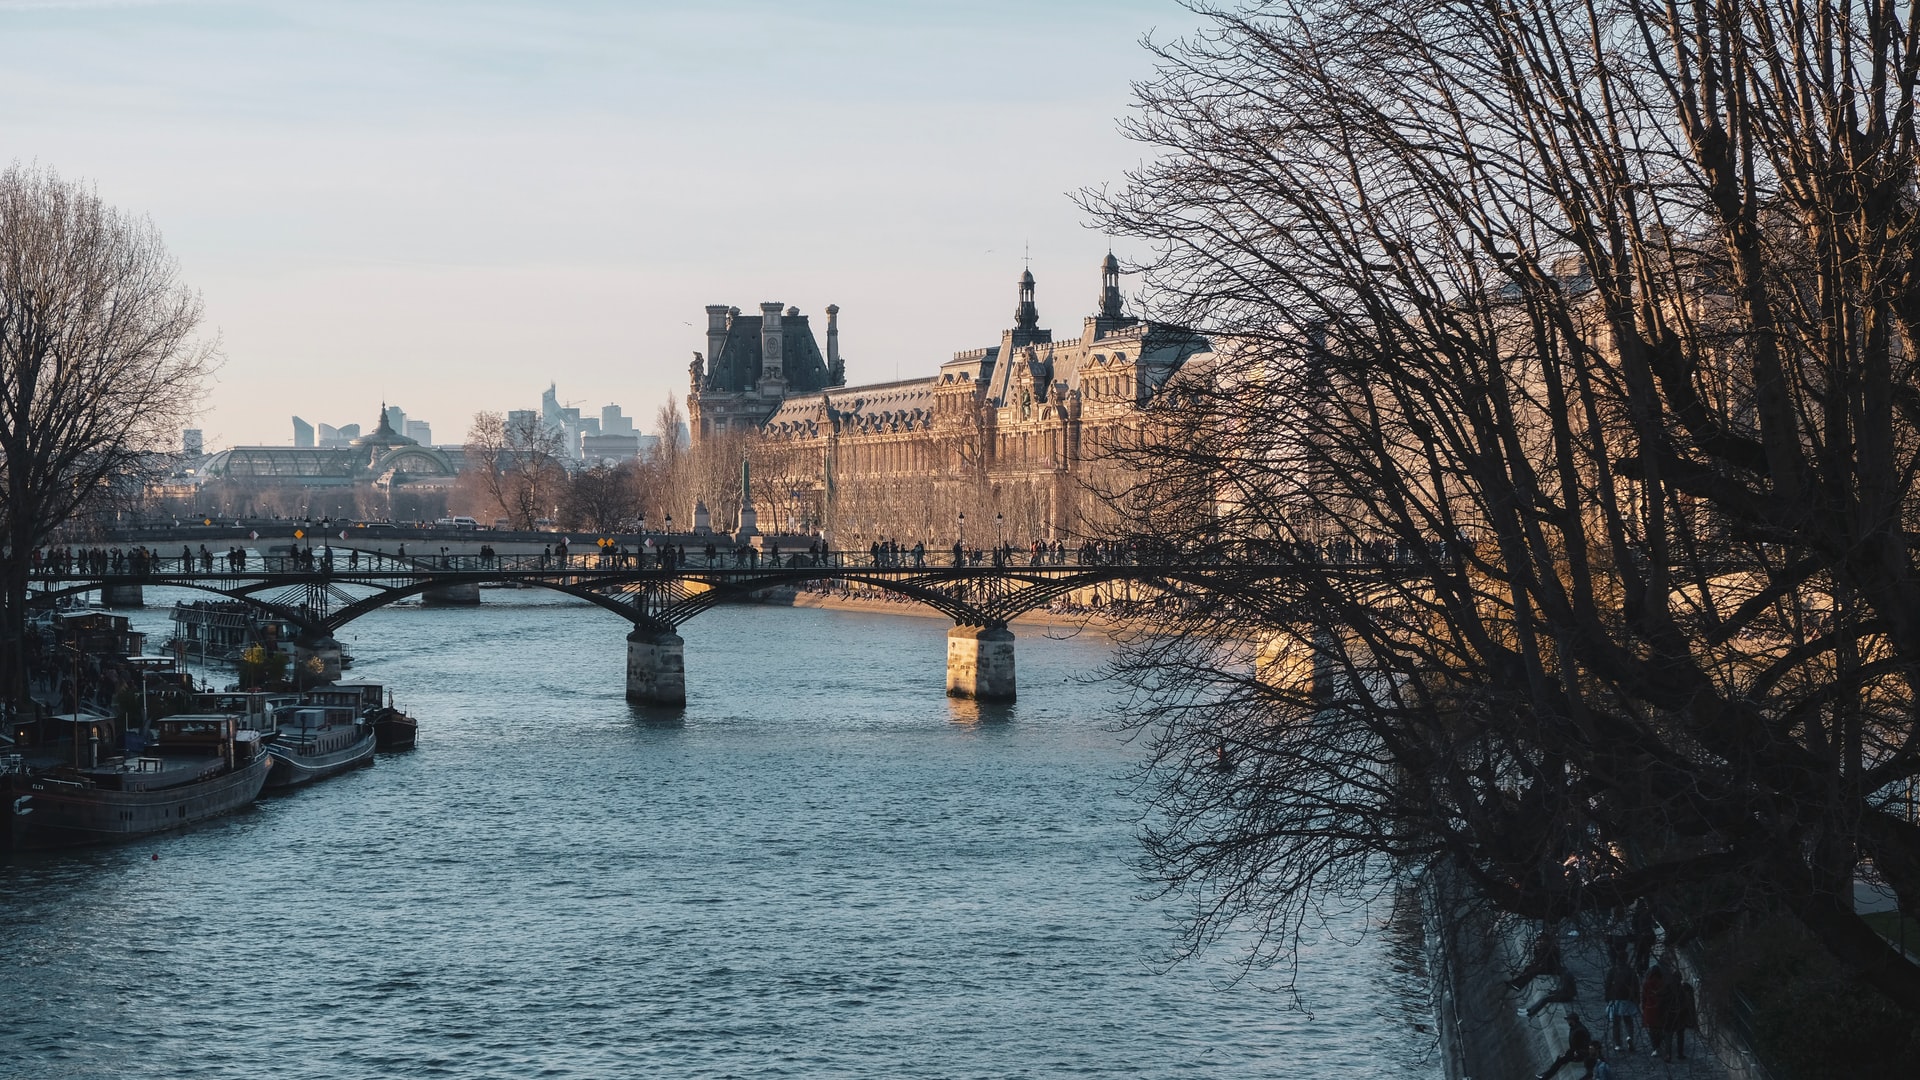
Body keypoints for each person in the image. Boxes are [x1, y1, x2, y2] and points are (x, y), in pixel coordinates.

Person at [1537, 1012, 1598, 1079]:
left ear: (1573, 1020)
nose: (1567, 1021)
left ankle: (1546, 1076)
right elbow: (1574, 1045)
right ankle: (1546, 1074)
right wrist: (1567, 1052)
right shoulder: (1575, 1028)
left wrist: (1576, 1053)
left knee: (1560, 1060)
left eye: (1568, 1020)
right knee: (1560, 1058)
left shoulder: (1579, 1031)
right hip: (1576, 1051)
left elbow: (1584, 1046)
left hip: (1580, 1054)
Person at [1604, 956, 1637, 1050]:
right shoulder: (1631, 971)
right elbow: (1635, 985)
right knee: (1628, 1021)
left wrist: (1607, 998)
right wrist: (1636, 999)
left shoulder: (1612, 971)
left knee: (1616, 1022)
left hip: (1615, 999)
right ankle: (1630, 1037)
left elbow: (1607, 985)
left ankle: (1618, 1044)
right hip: (1627, 999)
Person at [1663, 972, 1696, 1061]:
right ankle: (1679, 1054)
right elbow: (1686, 1004)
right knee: (1679, 1034)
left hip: (1670, 1015)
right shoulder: (1682, 989)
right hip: (1679, 1015)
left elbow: (1663, 1001)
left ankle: (1668, 1054)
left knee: (1669, 1035)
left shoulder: (1668, 988)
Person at [1640, 961, 1667, 1058]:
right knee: (1660, 1028)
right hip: (1660, 1008)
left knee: (1652, 1030)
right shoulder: (1663, 983)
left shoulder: (1647, 983)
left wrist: (1643, 1006)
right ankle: (1659, 1045)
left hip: (1649, 1008)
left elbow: (1643, 996)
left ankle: (1655, 1048)